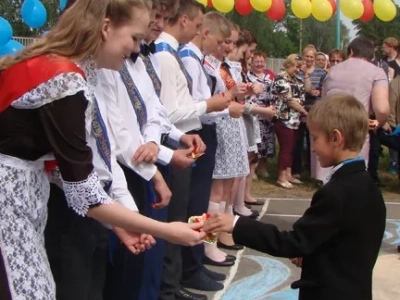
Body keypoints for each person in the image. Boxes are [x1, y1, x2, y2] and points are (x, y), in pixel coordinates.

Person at [0, 1, 206, 299]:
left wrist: (117, 221)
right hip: (10, 205)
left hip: (25, 201)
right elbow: (83, 189)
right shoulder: (64, 80)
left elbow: (71, 162)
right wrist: (167, 231)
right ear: (106, 27)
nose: (137, 48)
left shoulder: (70, 70)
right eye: (134, 37)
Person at [204, 94, 387, 300]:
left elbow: (292, 242)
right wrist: (313, 254)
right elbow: (346, 241)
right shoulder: (367, 186)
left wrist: (236, 224)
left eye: (315, 138)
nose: (314, 147)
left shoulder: (337, 193)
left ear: (336, 138)